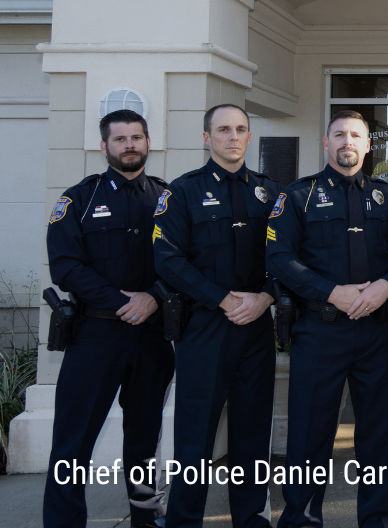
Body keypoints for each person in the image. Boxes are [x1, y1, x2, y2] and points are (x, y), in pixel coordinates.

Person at [267, 109, 388, 528]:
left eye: (356, 135)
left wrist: (386, 285)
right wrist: (332, 292)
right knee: (309, 434)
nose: (347, 142)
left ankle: (377, 519)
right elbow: (279, 258)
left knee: (376, 434)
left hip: (376, 332)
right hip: (320, 330)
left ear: (368, 145)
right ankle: (300, 518)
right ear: (326, 142)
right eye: (339, 134)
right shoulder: (298, 196)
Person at [152, 104, 282, 528]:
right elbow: (167, 259)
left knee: (252, 430)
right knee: (195, 435)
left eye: (240, 129)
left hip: (257, 327)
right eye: (223, 129)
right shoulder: (182, 191)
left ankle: (251, 518)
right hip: (205, 327)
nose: (232, 136)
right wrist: (223, 300)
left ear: (249, 137)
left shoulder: (271, 192)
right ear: (206, 138)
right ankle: (183, 520)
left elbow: (289, 257)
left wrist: (266, 297)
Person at [43, 109, 174, 528]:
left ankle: (146, 521)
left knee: (144, 442)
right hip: (95, 336)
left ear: (148, 143)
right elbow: (66, 267)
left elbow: (185, 262)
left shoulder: (167, 198)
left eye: (137, 137)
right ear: (104, 147)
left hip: (152, 337)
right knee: (73, 442)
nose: (130, 145)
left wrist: (153, 299)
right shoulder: (78, 200)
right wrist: (124, 301)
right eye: (120, 139)